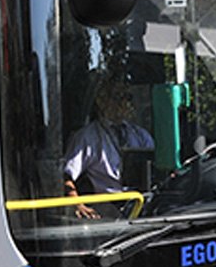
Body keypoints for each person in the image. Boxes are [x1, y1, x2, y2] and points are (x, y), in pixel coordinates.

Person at [61, 85, 153, 219]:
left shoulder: (140, 135)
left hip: (143, 203)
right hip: (107, 208)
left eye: (127, 98)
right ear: (101, 101)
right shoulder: (87, 137)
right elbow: (65, 177)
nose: (124, 103)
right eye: (117, 97)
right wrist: (78, 205)